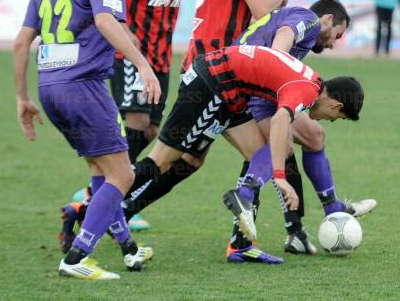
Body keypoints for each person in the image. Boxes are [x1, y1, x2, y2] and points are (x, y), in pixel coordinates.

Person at [121, 0, 291, 263]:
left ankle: (240, 244)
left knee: (226, 157)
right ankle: (96, 209)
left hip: (227, 79)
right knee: (166, 158)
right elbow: (262, 9)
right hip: (210, 77)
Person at [13, 0, 161, 280]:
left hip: (50, 88)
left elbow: (21, 42)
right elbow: (106, 21)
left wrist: (22, 98)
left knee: (101, 168)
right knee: (124, 175)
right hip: (85, 87)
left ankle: (128, 249)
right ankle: (77, 258)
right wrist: (143, 65)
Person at [126, 45, 364, 252]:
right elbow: (281, 120)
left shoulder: (309, 81)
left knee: (259, 151)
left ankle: (244, 203)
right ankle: (103, 202)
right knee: (163, 161)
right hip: (211, 82)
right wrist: (280, 177)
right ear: (336, 105)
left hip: (231, 93)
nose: (330, 121)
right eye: (337, 118)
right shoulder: (307, 90)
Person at [64, 0, 198, 235]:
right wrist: (123, 32)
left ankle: (105, 192)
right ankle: (113, 192)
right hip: (129, 56)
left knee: (152, 131)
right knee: (136, 121)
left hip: (162, 59)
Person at [229, 0, 376, 257]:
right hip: (247, 87)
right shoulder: (307, 21)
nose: (333, 44)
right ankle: (245, 196)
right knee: (281, 145)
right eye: (337, 35)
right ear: (328, 19)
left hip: (259, 86)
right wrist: (289, 84)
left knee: (314, 135)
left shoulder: (304, 30)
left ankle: (330, 210)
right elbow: (277, 53)